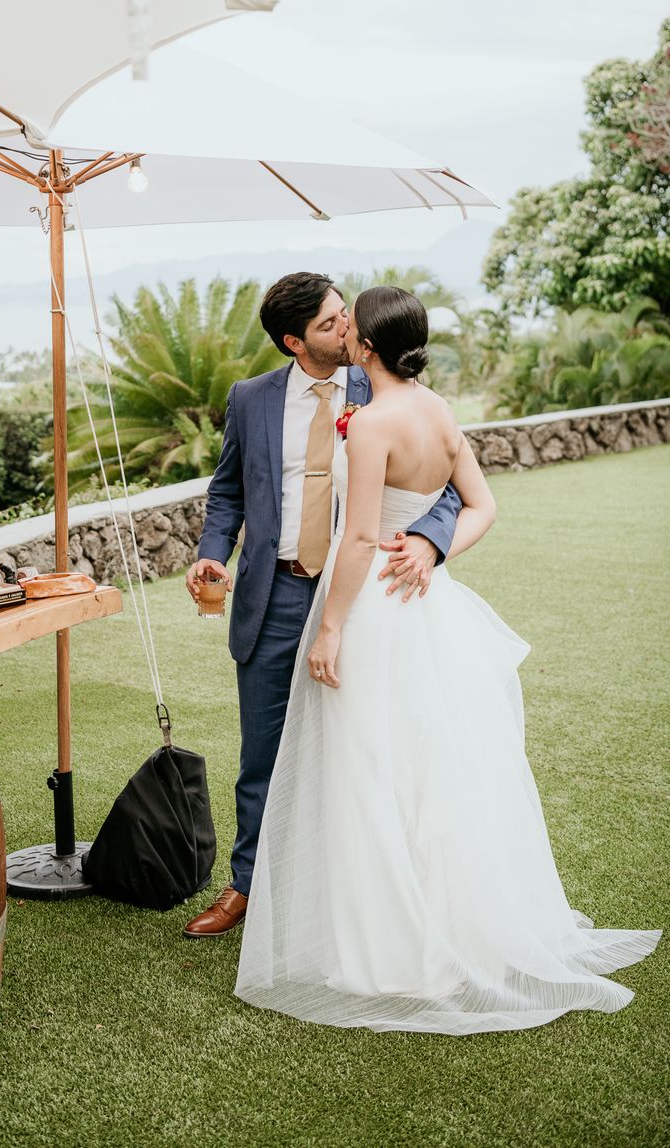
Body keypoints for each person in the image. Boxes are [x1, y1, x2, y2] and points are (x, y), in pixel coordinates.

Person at [235, 286, 660, 1031]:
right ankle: (454, 931)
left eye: (348, 325)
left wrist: (331, 627)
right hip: (427, 609)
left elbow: (362, 540)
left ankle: (386, 953)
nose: (342, 331)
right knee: (435, 770)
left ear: (366, 346)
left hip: (372, 608)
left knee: (369, 769)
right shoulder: (435, 409)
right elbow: (483, 506)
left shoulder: (370, 424)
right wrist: (436, 558)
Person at [181, 272, 462, 939]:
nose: (347, 329)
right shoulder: (250, 399)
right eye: (331, 324)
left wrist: (427, 543)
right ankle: (247, 885)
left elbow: (444, 487)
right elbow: (227, 494)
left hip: (364, 597)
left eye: (345, 316)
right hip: (273, 593)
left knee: (366, 748)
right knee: (264, 752)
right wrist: (212, 551)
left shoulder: (384, 388)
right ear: (292, 341)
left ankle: (350, 893)